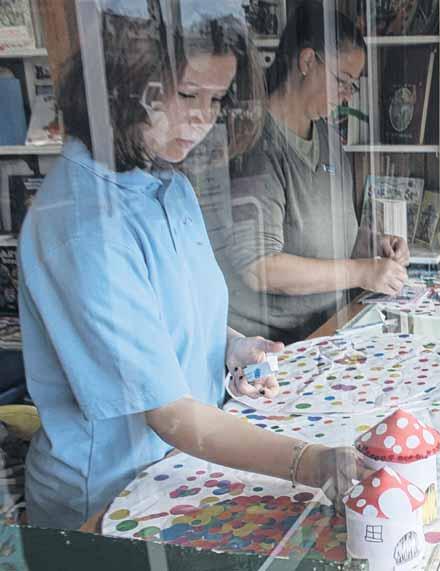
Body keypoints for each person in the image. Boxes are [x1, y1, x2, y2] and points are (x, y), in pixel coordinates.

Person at [18, 4, 369, 531]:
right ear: (123, 84)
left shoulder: (166, 181)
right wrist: (309, 461)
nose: (203, 119)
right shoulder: (86, 228)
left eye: (217, 99)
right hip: (108, 496)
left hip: (181, 467)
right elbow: (172, 415)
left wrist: (229, 345)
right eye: (187, 96)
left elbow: (167, 315)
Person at [226, 0, 410, 344]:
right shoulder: (255, 143)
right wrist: (361, 272)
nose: (347, 96)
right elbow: (260, 268)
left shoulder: (327, 137)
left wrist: (374, 246)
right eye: (342, 80)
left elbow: (333, 233)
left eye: (352, 85)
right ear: (308, 61)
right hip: (275, 346)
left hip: (330, 328)